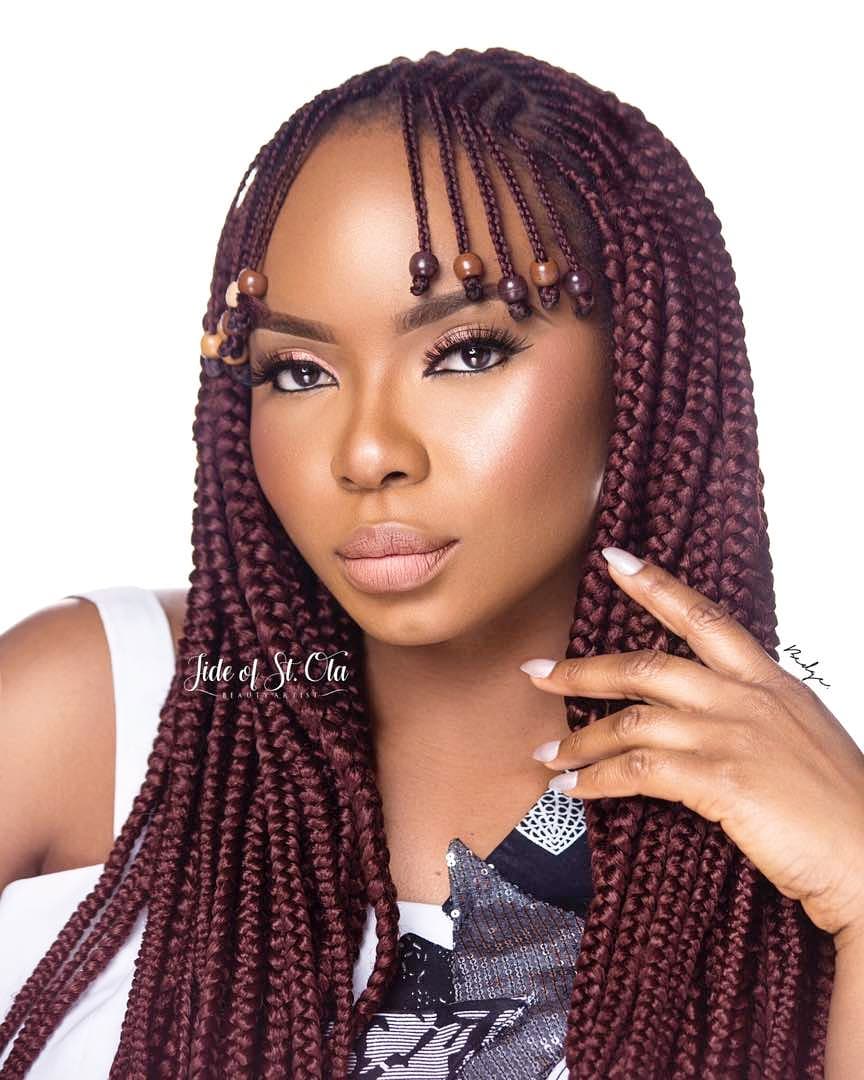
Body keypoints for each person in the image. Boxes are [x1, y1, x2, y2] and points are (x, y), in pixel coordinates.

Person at [1, 45, 862, 1079]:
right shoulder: (90, 714)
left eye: (466, 353)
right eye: (298, 371)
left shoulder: (796, 835)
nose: (367, 453)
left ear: (643, 361)